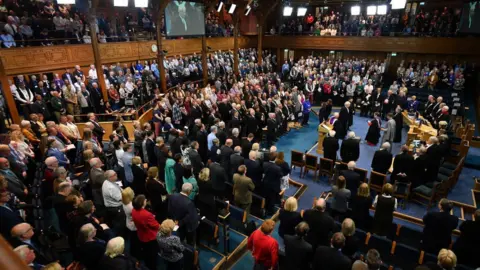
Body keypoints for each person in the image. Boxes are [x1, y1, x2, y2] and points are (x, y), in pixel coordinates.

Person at [131, 194, 160, 270]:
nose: (146, 200)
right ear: (142, 203)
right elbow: (156, 226)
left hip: (141, 235)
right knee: (152, 255)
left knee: (146, 252)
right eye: (145, 200)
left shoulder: (133, 210)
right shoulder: (147, 214)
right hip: (150, 237)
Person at [102, 170, 125, 234]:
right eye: (115, 174)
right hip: (116, 208)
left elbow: (119, 188)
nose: (116, 175)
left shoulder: (107, 181)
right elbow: (120, 198)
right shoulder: (111, 187)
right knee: (120, 223)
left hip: (112, 207)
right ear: (110, 177)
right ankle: (122, 236)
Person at [121, 187, 140, 260]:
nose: (134, 193)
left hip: (128, 223)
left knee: (132, 240)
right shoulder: (131, 206)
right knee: (135, 241)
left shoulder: (124, 202)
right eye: (132, 192)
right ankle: (136, 255)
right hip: (133, 226)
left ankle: (133, 252)